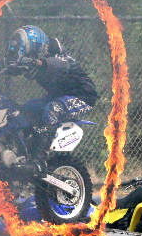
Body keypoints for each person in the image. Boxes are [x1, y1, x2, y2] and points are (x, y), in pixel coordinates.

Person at [5, 25, 98, 155]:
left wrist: (39, 62)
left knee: (53, 109)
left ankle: (42, 154)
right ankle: (25, 148)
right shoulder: (37, 61)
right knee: (26, 108)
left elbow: (59, 64)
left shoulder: (62, 59)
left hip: (82, 97)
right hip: (57, 96)